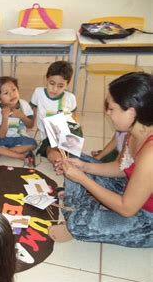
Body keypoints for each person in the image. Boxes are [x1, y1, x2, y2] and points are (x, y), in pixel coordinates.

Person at [50, 72, 153, 247]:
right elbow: (120, 168)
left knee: (78, 224)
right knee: (74, 158)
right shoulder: (134, 131)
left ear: (131, 112)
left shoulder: (150, 154)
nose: (107, 112)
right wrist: (84, 167)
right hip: (130, 190)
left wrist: (81, 178)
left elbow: (127, 208)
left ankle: (77, 218)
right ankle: (83, 209)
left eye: (112, 108)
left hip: (145, 218)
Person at [30, 61, 82, 167]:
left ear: (67, 85)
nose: (54, 89)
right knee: (51, 152)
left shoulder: (70, 98)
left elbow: (74, 115)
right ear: (46, 79)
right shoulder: (38, 93)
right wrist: (33, 126)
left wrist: (77, 126)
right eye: (52, 83)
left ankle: (66, 161)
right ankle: (63, 165)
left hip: (67, 132)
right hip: (49, 136)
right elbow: (34, 111)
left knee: (65, 150)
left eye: (60, 86)